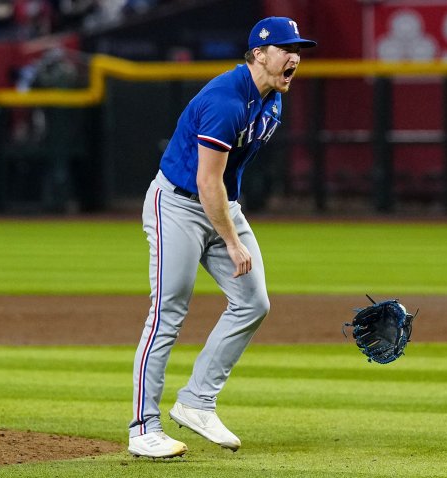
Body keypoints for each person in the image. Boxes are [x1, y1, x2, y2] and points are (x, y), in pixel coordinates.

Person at [128, 16, 316, 459]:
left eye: (299, 49)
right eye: (286, 48)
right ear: (258, 55)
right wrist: (232, 241)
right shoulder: (225, 100)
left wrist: (230, 224)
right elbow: (207, 181)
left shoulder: (272, 100)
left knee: (254, 302)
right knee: (168, 312)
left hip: (219, 205)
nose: (295, 57)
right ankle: (143, 427)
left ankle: (197, 401)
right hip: (176, 204)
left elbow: (226, 182)